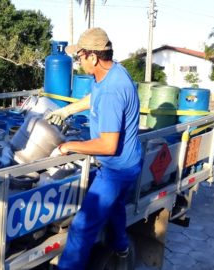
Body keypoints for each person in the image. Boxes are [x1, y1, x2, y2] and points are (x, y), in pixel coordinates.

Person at [45, 27, 142, 269]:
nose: (78, 61)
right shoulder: (111, 73)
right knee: (115, 206)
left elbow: (108, 146)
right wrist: (67, 110)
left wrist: (68, 146)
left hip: (116, 168)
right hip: (128, 162)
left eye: (79, 56)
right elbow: (93, 97)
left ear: (93, 57)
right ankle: (121, 248)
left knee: (81, 228)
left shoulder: (112, 89)